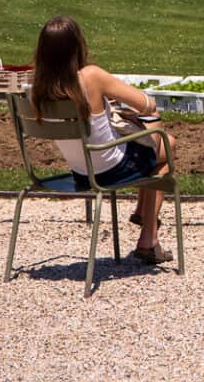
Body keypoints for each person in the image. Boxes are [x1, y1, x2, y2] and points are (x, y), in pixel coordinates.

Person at [29, 15, 176, 263]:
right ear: (78, 46)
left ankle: (143, 213)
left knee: (154, 148)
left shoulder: (39, 87)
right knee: (167, 144)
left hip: (79, 171)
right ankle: (148, 238)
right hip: (110, 168)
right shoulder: (91, 76)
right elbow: (148, 105)